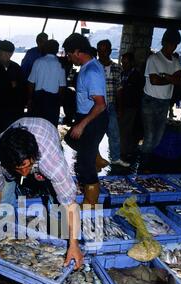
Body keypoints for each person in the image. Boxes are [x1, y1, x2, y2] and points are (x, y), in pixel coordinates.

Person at [0, 117, 83, 269]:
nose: (23, 173)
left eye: (26, 166)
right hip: (14, 159)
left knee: (56, 202)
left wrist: (74, 244)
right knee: (2, 208)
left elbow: (69, 204)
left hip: (46, 133)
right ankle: (8, 239)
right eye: (18, 169)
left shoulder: (50, 159)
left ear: (34, 157)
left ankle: (60, 237)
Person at [62, 33, 108, 207]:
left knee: (83, 165)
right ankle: (95, 156)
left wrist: (81, 125)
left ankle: (90, 203)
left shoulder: (91, 71)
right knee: (70, 140)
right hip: (87, 116)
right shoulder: (90, 66)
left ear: (77, 51)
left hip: (94, 118)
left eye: (68, 54)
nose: (68, 57)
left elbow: (101, 104)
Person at [140, 28, 181, 167]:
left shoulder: (175, 60)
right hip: (150, 101)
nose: (173, 47)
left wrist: (164, 76)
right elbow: (154, 81)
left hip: (165, 102)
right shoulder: (154, 58)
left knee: (158, 138)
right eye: (171, 44)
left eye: (176, 44)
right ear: (164, 43)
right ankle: (143, 167)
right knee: (150, 136)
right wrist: (171, 78)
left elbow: (180, 81)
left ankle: (147, 162)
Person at [0, 40, 26, 142]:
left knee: (11, 138)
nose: (7, 55)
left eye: (9, 53)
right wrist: (10, 84)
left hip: (13, 111)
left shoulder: (16, 68)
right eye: (4, 52)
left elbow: (22, 87)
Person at [96, 39, 127, 167]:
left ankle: (115, 158)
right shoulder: (94, 67)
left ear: (109, 51)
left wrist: (120, 108)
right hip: (96, 107)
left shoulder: (117, 68)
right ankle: (94, 158)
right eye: (100, 51)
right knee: (95, 134)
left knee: (114, 133)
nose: (102, 54)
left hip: (111, 106)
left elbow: (119, 90)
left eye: (105, 51)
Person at [27, 39, 66, 127]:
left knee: (36, 125)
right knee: (51, 126)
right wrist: (58, 101)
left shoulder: (38, 62)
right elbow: (62, 86)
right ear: (56, 50)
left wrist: (29, 99)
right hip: (53, 100)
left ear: (46, 49)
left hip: (38, 99)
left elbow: (31, 83)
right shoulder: (60, 64)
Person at [118, 52, 144, 162]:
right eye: (122, 62)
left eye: (126, 62)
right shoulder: (122, 73)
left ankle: (125, 153)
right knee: (122, 129)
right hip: (122, 105)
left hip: (131, 107)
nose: (123, 64)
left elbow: (137, 94)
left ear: (132, 63)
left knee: (126, 130)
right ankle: (123, 152)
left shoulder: (137, 76)